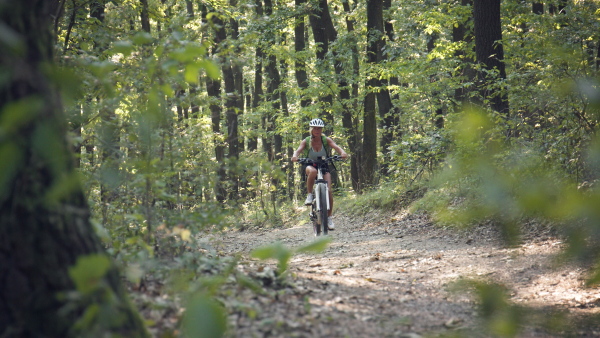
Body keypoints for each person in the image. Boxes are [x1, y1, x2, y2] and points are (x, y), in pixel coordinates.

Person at [291, 118, 348, 230]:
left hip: (323, 165)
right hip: (310, 165)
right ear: (311, 129)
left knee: (329, 191)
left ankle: (329, 217)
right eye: (315, 128)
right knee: (313, 172)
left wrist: (342, 152)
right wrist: (295, 156)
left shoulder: (325, 140)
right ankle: (309, 195)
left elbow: (336, 147)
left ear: (322, 129)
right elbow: (298, 150)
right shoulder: (306, 141)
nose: (317, 130)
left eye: (319, 128)